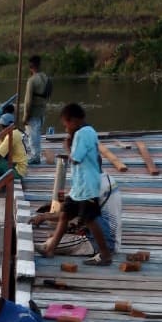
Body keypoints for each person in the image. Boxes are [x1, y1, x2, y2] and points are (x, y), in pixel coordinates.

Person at [38, 103, 113, 266]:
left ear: (73, 121)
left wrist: (67, 146)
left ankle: (105, 254)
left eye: (66, 124)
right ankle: (51, 249)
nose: (66, 128)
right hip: (80, 187)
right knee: (65, 215)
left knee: (90, 219)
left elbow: (76, 158)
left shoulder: (81, 134)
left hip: (87, 186)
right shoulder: (90, 131)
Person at [32, 172, 122, 256]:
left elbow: (68, 213)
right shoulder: (107, 178)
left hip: (102, 242)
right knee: (56, 229)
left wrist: (44, 216)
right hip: (111, 235)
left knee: (49, 242)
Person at [22, 56, 51, 165]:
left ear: (30, 67)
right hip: (42, 111)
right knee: (37, 135)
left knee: (32, 137)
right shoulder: (46, 78)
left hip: (33, 113)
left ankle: (35, 157)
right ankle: (36, 155)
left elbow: (28, 101)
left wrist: (25, 117)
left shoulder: (32, 81)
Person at [0, 112, 28, 180]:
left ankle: (2, 181)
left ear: (5, 126)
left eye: (2, 126)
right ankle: (2, 180)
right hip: (20, 166)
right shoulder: (16, 132)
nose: (1, 128)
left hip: (18, 171)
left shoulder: (11, 135)